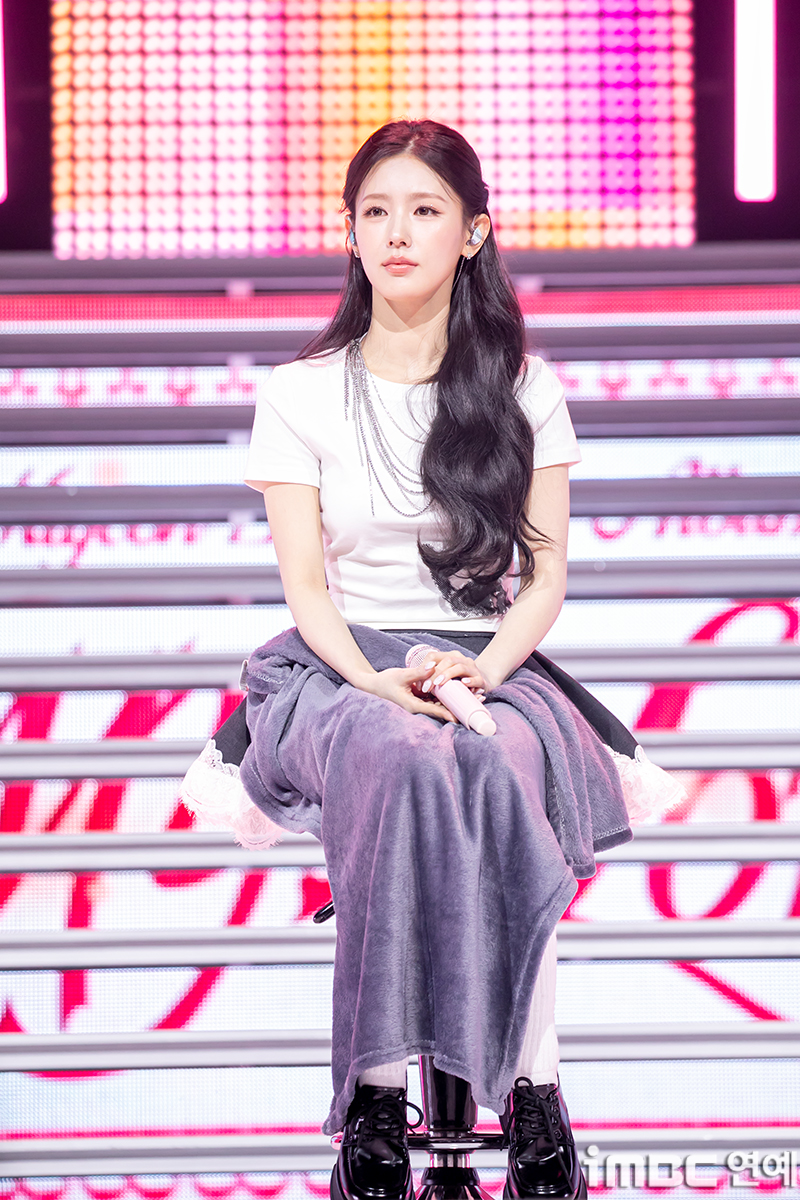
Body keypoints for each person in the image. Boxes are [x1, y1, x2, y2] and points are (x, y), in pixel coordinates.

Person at [182, 119, 680, 1200]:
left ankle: (534, 1084)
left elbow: (544, 576)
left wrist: (482, 673)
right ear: (350, 233)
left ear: (473, 233)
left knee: (501, 768)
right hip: (340, 666)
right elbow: (306, 591)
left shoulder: (522, 389)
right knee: (397, 756)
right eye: (375, 211)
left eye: (423, 210)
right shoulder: (300, 393)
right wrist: (375, 681)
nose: (396, 232)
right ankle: (372, 1095)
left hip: (486, 661)